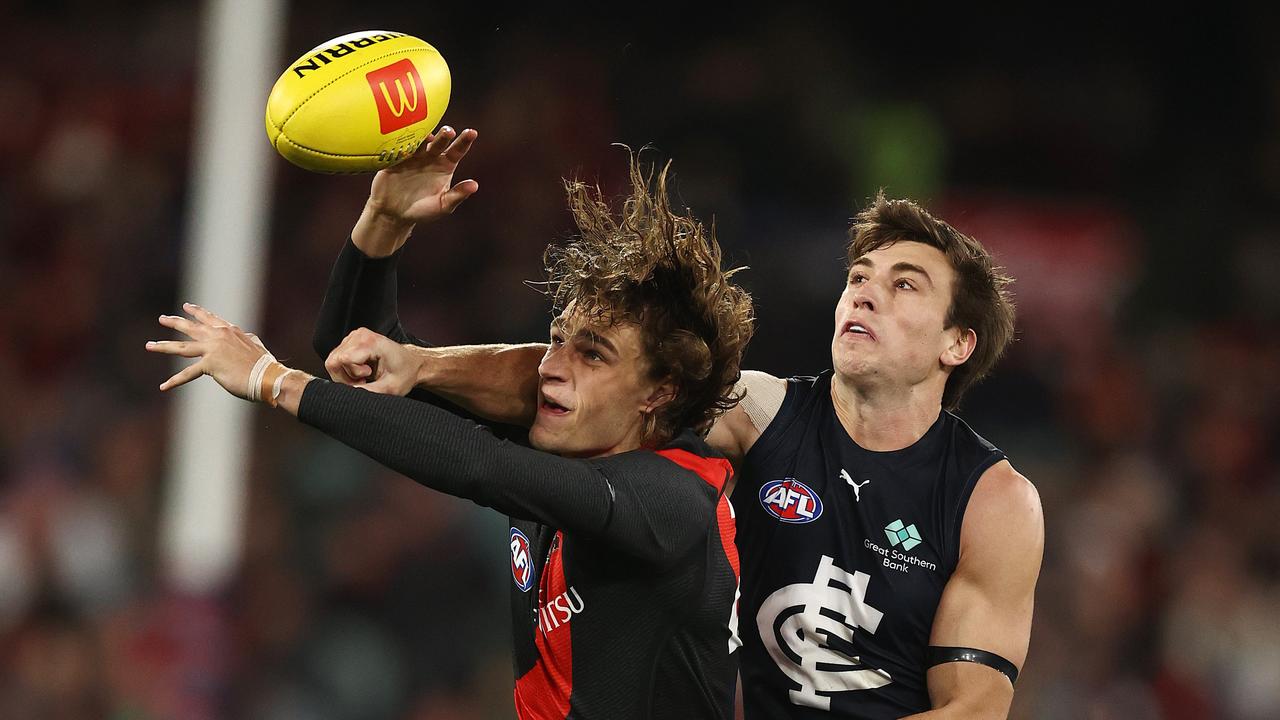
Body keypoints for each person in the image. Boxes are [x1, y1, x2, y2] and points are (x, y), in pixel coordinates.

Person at [326, 178, 1044, 718]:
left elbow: (972, 711)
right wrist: (421, 365)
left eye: (903, 285)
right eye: (858, 279)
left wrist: (282, 381)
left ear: (958, 342)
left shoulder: (993, 498)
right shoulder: (760, 412)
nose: (864, 295)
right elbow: (589, 385)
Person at [146, 128, 755, 720]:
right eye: (556, 341)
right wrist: (383, 224)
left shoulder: (678, 502)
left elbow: (481, 466)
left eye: (592, 354)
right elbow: (358, 358)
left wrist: (273, 381)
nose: (552, 368)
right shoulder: (567, 448)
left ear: (661, 390)